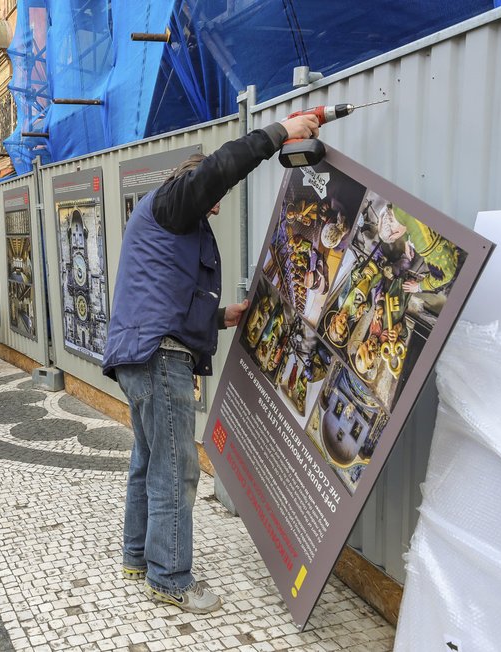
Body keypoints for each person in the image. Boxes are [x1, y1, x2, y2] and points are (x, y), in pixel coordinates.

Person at [101, 114, 321, 614]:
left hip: (140, 354)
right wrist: (279, 133)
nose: (216, 206)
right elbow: (219, 170)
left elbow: (172, 293)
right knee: (176, 469)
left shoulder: (165, 221)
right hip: (159, 356)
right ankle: (171, 578)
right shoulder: (176, 201)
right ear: (193, 183)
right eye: (213, 197)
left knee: (148, 459)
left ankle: (138, 557)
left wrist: (224, 317)